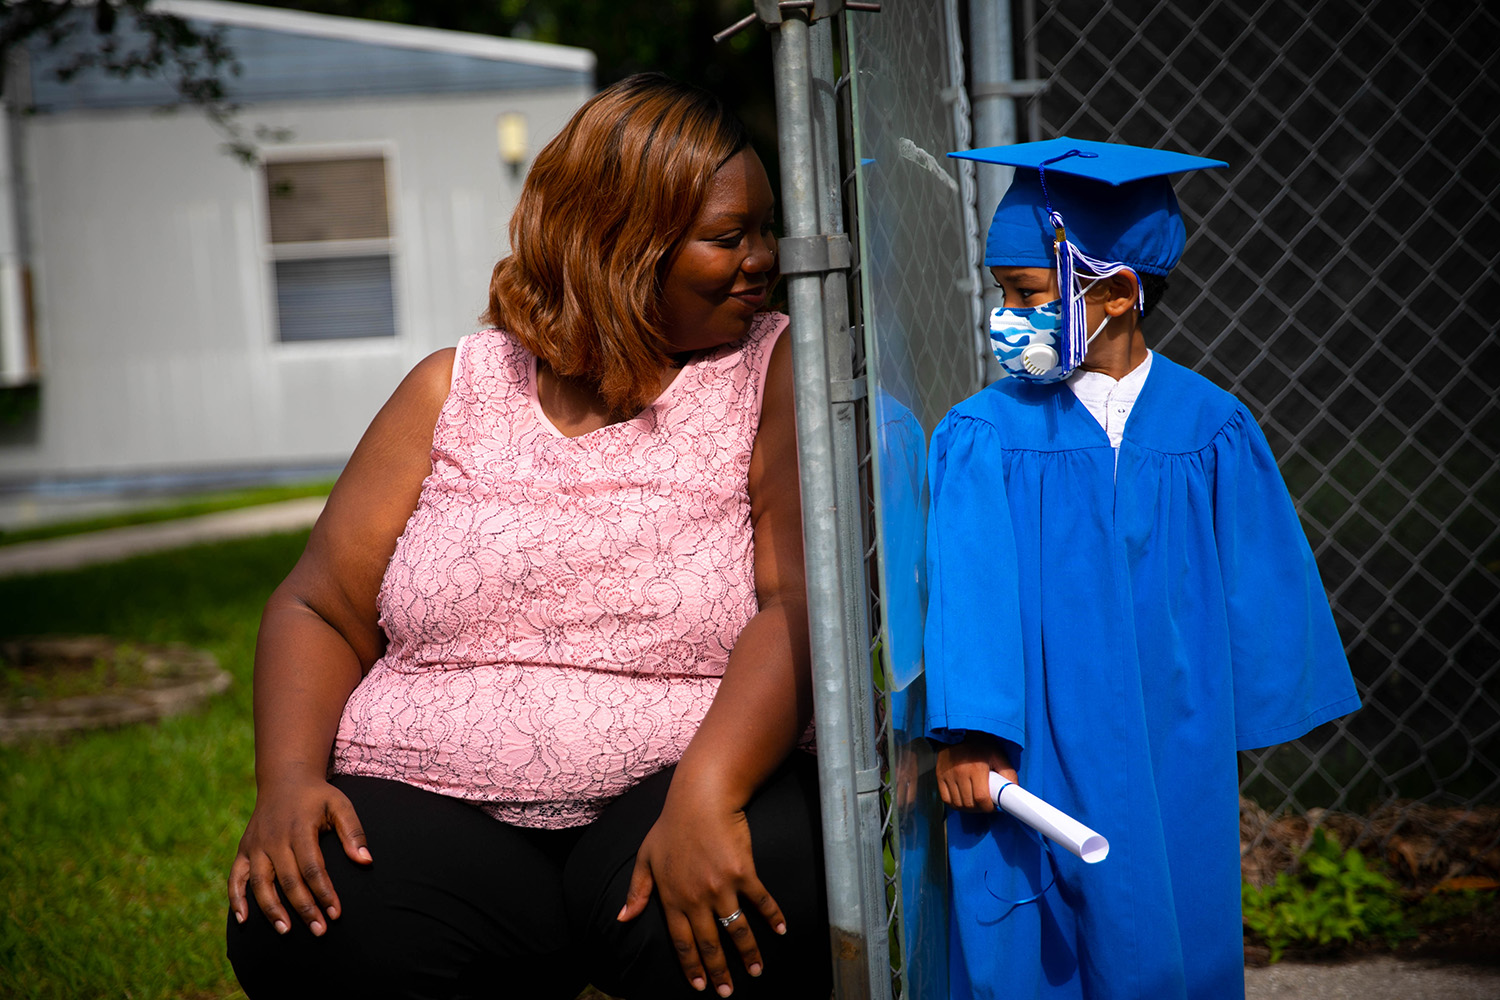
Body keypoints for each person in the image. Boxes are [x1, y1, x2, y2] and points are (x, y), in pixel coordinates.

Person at [225, 73, 832, 1000]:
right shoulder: (453, 386)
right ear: (620, 243)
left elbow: (795, 604)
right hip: (430, 799)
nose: (764, 258)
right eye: (727, 237)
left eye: (765, 228)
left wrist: (708, 790)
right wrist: (289, 783)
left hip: (673, 784)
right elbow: (318, 603)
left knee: (745, 910)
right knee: (303, 920)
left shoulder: (773, 370)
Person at [923, 138, 1361, 1000]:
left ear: (1117, 293)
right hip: (1033, 740)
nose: (1005, 318)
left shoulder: (1210, 425)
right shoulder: (987, 432)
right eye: (1001, 295)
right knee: (1031, 938)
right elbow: (970, 590)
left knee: (1167, 926)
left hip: (1173, 730)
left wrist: (1247, 701)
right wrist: (974, 733)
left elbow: (1260, 580)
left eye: (1027, 296)